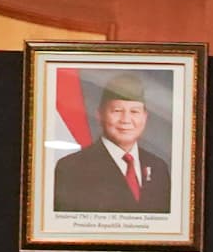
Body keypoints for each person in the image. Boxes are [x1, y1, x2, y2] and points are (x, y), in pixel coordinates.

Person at [50, 75, 172, 214]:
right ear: (100, 114)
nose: (126, 120)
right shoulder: (71, 167)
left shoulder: (158, 167)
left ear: (145, 117)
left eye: (134, 111)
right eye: (117, 111)